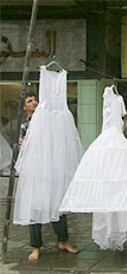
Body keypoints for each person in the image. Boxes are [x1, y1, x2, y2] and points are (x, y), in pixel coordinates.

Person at [19, 92, 79, 262]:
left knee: (57, 204)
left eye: (35, 100)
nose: (34, 103)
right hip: (35, 171)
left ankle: (63, 240)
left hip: (51, 169)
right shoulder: (25, 125)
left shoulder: (49, 124)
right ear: (25, 107)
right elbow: (22, 147)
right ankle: (36, 246)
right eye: (30, 101)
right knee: (35, 207)